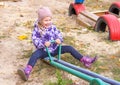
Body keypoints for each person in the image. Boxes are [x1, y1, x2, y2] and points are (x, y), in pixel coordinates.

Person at [17, 7, 97, 81]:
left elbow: (59, 34)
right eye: (46, 20)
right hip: (44, 50)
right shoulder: (37, 29)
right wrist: (43, 43)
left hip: (55, 49)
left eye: (49, 20)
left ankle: (84, 60)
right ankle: (27, 71)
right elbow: (35, 40)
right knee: (35, 54)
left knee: (69, 48)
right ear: (40, 20)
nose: (48, 22)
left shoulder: (52, 27)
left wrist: (59, 39)